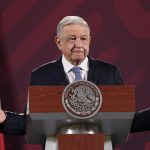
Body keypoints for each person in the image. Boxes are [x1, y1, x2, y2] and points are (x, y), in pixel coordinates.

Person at [0, 16, 150, 136]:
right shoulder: (42, 75)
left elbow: (125, 120)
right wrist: (4, 119)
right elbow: (32, 124)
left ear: (89, 41)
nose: (78, 44)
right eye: (72, 38)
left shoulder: (110, 73)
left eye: (83, 39)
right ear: (59, 42)